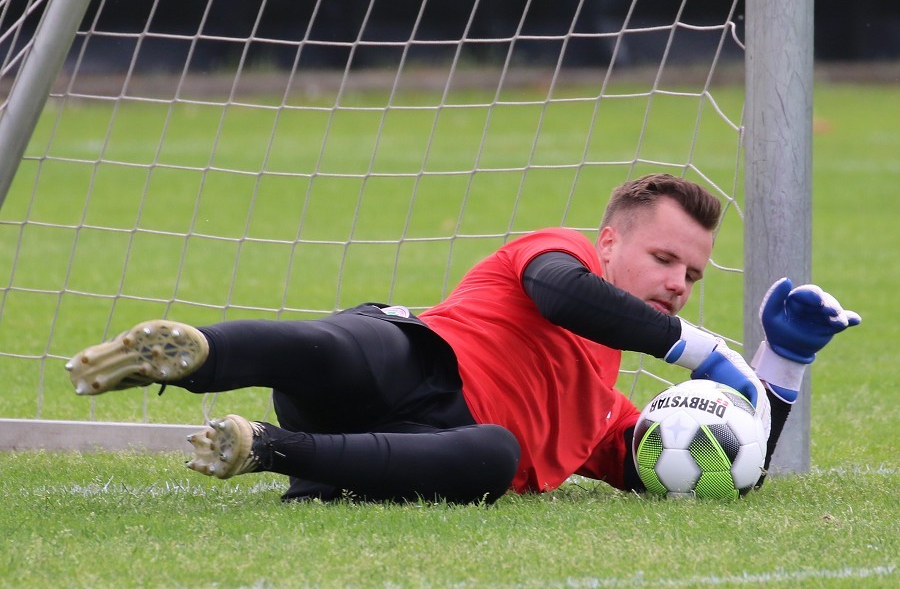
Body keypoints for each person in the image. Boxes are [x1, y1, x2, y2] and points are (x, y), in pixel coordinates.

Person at [65, 173, 860, 504]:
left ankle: (263, 448)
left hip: (410, 446)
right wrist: (692, 346)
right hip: (405, 361)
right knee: (350, 348)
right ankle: (192, 353)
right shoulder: (564, 256)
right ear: (610, 242)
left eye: (692, 274)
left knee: (495, 457)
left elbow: (723, 469)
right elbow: (561, 294)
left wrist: (781, 366)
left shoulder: (604, 415)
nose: (679, 283)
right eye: (664, 259)